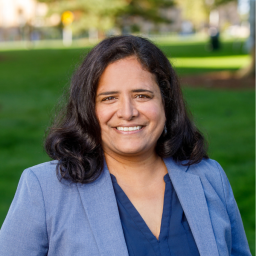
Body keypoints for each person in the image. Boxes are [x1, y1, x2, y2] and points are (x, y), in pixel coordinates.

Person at [0, 35, 251, 256]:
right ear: (89, 109)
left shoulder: (209, 177)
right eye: (109, 98)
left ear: (166, 103)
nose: (128, 112)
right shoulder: (44, 190)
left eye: (142, 95)